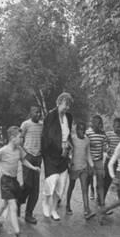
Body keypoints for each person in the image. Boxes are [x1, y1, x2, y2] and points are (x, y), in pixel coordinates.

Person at [0, 126, 41, 237]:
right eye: (20, 137)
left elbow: (23, 160)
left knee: (4, 205)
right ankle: (18, 234)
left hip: (14, 181)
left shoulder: (19, 149)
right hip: (5, 181)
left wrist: (33, 167)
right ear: (13, 138)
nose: (22, 139)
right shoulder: (3, 150)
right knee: (13, 206)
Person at [41, 92, 74, 221]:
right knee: (52, 180)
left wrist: (68, 146)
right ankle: (45, 202)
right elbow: (47, 137)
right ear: (58, 103)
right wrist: (59, 148)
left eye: (69, 105)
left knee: (61, 183)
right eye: (66, 105)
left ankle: (54, 208)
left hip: (64, 155)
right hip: (51, 154)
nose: (67, 108)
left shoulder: (69, 117)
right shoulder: (50, 116)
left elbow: (69, 134)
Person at [18, 106, 43, 224]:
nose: (38, 114)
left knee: (35, 188)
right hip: (28, 156)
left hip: (38, 158)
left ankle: (29, 214)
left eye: (39, 112)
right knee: (28, 185)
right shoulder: (25, 124)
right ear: (30, 113)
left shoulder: (42, 125)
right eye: (36, 112)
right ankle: (18, 201)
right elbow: (19, 139)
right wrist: (23, 153)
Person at [65, 122, 96, 220]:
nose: (81, 131)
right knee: (71, 186)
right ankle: (67, 205)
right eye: (79, 129)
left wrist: (91, 165)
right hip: (74, 168)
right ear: (76, 130)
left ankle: (87, 210)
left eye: (83, 129)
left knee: (84, 188)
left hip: (83, 168)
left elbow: (88, 154)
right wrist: (69, 164)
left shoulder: (87, 140)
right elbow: (69, 153)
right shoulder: (73, 139)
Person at [85, 115, 107, 207]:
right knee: (89, 178)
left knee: (101, 182)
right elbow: (85, 147)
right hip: (89, 160)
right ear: (92, 124)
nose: (99, 125)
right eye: (96, 123)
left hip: (98, 160)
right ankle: (91, 190)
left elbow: (104, 149)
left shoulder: (103, 134)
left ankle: (101, 203)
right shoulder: (88, 133)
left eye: (99, 123)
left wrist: (103, 164)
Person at [103, 118, 120, 205]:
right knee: (106, 182)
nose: (118, 129)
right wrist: (106, 148)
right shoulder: (109, 134)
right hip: (109, 161)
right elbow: (103, 143)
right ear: (113, 126)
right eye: (116, 126)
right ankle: (101, 201)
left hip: (119, 163)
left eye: (119, 127)